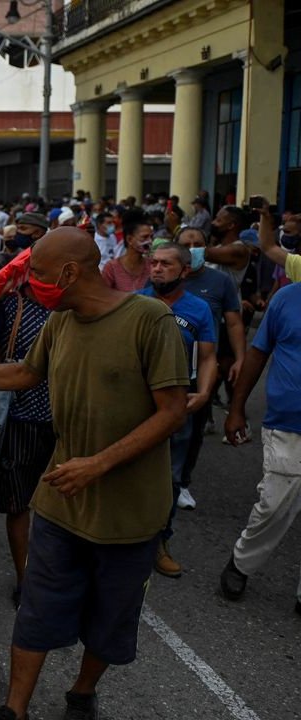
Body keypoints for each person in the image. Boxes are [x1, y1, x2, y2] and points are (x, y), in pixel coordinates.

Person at [0, 227, 188, 720]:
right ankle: (13, 708)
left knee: (111, 617)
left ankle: (82, 693)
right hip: (62, 501)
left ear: (67, 273)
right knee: (38, 608)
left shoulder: (151, 319)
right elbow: (23, 374)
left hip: (129, 511)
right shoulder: (60, 324)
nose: (30, 283)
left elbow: (172, 411)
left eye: (36, 274)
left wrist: (99, 463)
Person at [219, 279, 301, 614]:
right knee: (275, 503)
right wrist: (236, 409)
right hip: (288, 423)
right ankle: (241, 563)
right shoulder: (287, 297)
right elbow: (258, 353)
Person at [137, 244, 217, 577]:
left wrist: (203, 393)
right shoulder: (134, 302)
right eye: (153, 263)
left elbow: (209, 356)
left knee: (169, 478)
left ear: (184, 270)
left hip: (176, 406)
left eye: (166, 264)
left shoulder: (198, 308)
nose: (157, 269)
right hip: (135, 404)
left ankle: (159, 542)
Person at [177, 227, 246, 509]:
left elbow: (233, 322)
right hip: (163, 368)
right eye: (186, 244)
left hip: (202, 368)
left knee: (193, 430)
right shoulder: (164, 280)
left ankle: (181, 483)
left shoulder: (220, 282)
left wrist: (240, 358)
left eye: (198, 244)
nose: (193, 248)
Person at [101, 210, 152, 292]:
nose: (150, 241)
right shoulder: (112, 268)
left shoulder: (152, 266)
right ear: (129, 239)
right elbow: (104, 296)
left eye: (151, 237)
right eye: (145, 237)